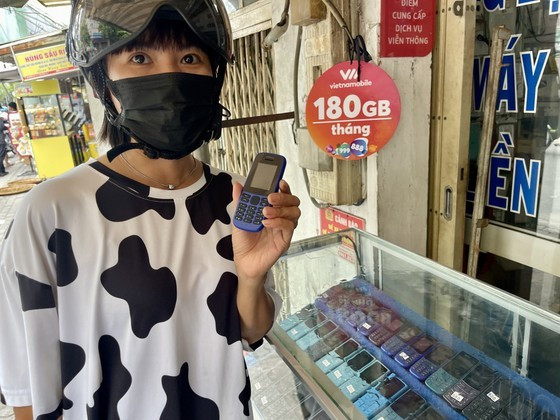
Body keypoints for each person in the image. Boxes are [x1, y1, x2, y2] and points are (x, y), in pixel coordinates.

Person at [0, 1, 300, 419]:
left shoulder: (228, 198)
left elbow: (247, 333)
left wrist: (252, 276)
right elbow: (24, 381)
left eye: (190, 57)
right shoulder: (52, 210)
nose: (170, 77)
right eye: (140, 57)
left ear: (213, 77)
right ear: (105, 83)